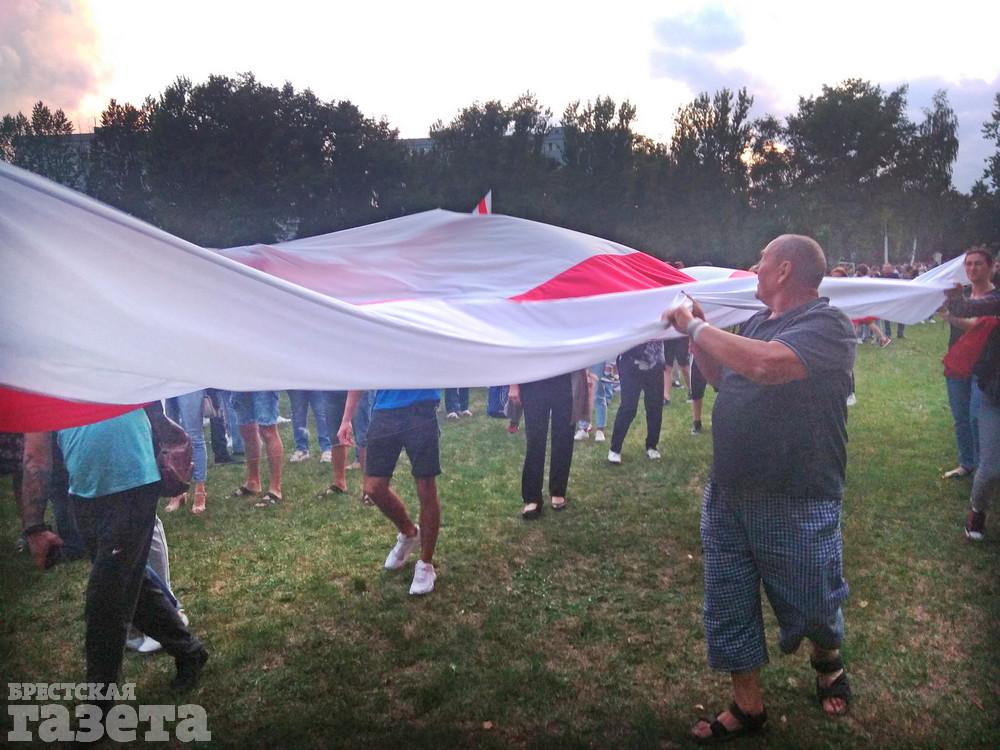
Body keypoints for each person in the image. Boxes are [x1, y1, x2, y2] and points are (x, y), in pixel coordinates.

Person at [664, 234, 856, 743]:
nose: (754, 267)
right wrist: (699, 339)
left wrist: (701, 326)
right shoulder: (755, 324)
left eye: (762, 261)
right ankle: (748, 707)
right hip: (729, 490)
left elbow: (769, 365)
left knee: (815, 601)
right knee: (728, 599)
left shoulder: (826, 323)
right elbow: (728, 378)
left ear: (786, 270)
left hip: (796, 492)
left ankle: (828, 660)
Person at [18, 411, 208, 712]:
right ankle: (189, 650)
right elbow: (35, 456)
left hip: (133, 484)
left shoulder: (108, 363)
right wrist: (34, 528)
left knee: (104, 600)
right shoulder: (44, 375)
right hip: (83, 493)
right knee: (129, 584)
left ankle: (98, 706)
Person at [338, 388, 441, 595]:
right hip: (384, 410)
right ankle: (409, 532)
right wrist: (346, 418)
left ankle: (426, 564)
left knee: (425, 486)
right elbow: (362, 369)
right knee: (373, 488)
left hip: (421, 408)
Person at [945, 269, 1000, 541]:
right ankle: (978, 511)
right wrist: (957, 300)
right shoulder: (995, 299)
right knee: (989, 469)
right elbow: (971, 306)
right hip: (995, 393)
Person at [939, 247, 999, 479]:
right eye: (969, 264)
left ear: (992, 266)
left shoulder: (994, 299)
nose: (972, 268)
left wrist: (949, 315)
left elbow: (976, 323)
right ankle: (967, 463)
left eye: (978, 264)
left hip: (985, 367)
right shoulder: (961, 294)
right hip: (958, 362)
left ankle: (986, 467)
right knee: (961, 418)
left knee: (977, 417)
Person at [510, 371, 586, 518]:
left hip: (565, 379)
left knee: (564, 437)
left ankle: (558, 490)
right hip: (533, 380)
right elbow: (516, 349)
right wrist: (513, 384)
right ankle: (532, 498)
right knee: (535, 440)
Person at [608, 340, 666, 464]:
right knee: (628, 407)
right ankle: (615, 448)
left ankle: (652, 445)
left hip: (655, 361)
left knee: (655, 406)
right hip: (630, 361)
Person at [231, 390, 284, 507]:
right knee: (246, 429)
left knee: (268, 430)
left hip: (263, 380)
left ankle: (275, 488)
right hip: (240, 379)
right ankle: (253, 482)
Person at [165, 390, 209, 514]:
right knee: (172, 438)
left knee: (194, 436)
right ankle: (178, 491)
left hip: (189, 383)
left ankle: (200, 490)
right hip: (167, 381)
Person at [287, 389, 333, 463]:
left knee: (321, 414)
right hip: (296, 382)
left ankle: (327, 449)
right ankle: (301, 449)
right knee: (298, 414)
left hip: (317, 381)